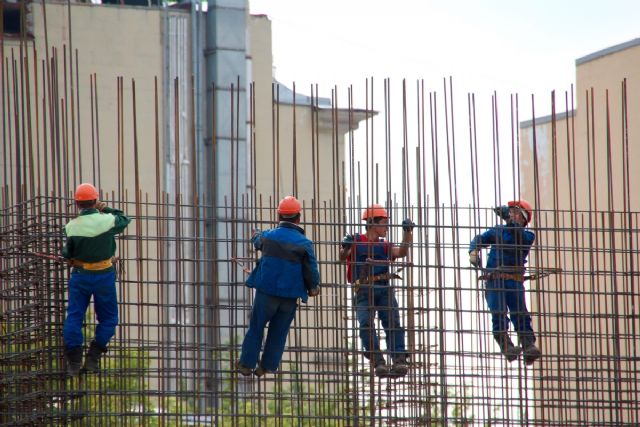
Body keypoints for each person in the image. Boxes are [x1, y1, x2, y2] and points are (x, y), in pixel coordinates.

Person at [237, 196, 321, 377]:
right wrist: (314, 287)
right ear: (298, 217)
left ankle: (246, 364)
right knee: (279, 332)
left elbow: (258, 240)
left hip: (266, 293)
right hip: (289, 297)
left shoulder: (268, 237)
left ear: (279, 217)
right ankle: (267, 366)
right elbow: (311, 270)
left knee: (256, 327)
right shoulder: (305, 243)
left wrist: (255, 233)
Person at [62, 183, 131, 376]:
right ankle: (93, 356)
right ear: (95, 201)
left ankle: (74, 362)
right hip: (104, 276)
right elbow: (124, 218)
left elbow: (67, 252)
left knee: (74, 317)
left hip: (81, 276)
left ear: (77, 204)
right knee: (109, 318)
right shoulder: (107, 221)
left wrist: (71, 257)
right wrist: (105, 207)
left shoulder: (71, 227)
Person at [339, 204, 414, 377]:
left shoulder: (385, 245)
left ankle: (398, 359)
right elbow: (343, 256)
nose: (387, 227)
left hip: (384, 288)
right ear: (373, 223)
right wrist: (346, 245)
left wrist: (407, 233)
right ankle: (377, 360)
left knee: (393, 322)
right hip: (363, 289)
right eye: (384, 223)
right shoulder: (356, 240)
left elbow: (402, 252)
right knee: (365, 323)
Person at [469, 199, 541, 365]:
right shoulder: (498, 231)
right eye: (511, 212)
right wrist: (473, 250)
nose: (512, 215)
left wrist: (508, 220)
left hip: (514, 281)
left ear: (523, 218)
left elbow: (518, 233)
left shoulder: (527, 235)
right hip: (495, 281)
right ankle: (506, 346)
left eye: (515, 213)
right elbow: (480, 238)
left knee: (520, 313)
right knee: (498, 313)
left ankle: (528, 345)